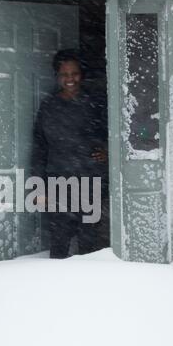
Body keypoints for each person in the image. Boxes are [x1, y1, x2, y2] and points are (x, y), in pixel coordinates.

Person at [31, 49, 109, 259]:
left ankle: (87, 288)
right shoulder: (49, 106)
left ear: (81, 75)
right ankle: (57, 288)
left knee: (89, 242)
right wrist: (39, 186)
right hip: (58, 183)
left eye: (74, 73)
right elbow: (40, 147)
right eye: (64, 74)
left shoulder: (94, 104)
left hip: (89, 181)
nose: (70, 79)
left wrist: (106, 152)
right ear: (57, 76)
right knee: (59, 241)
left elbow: (111, 134)